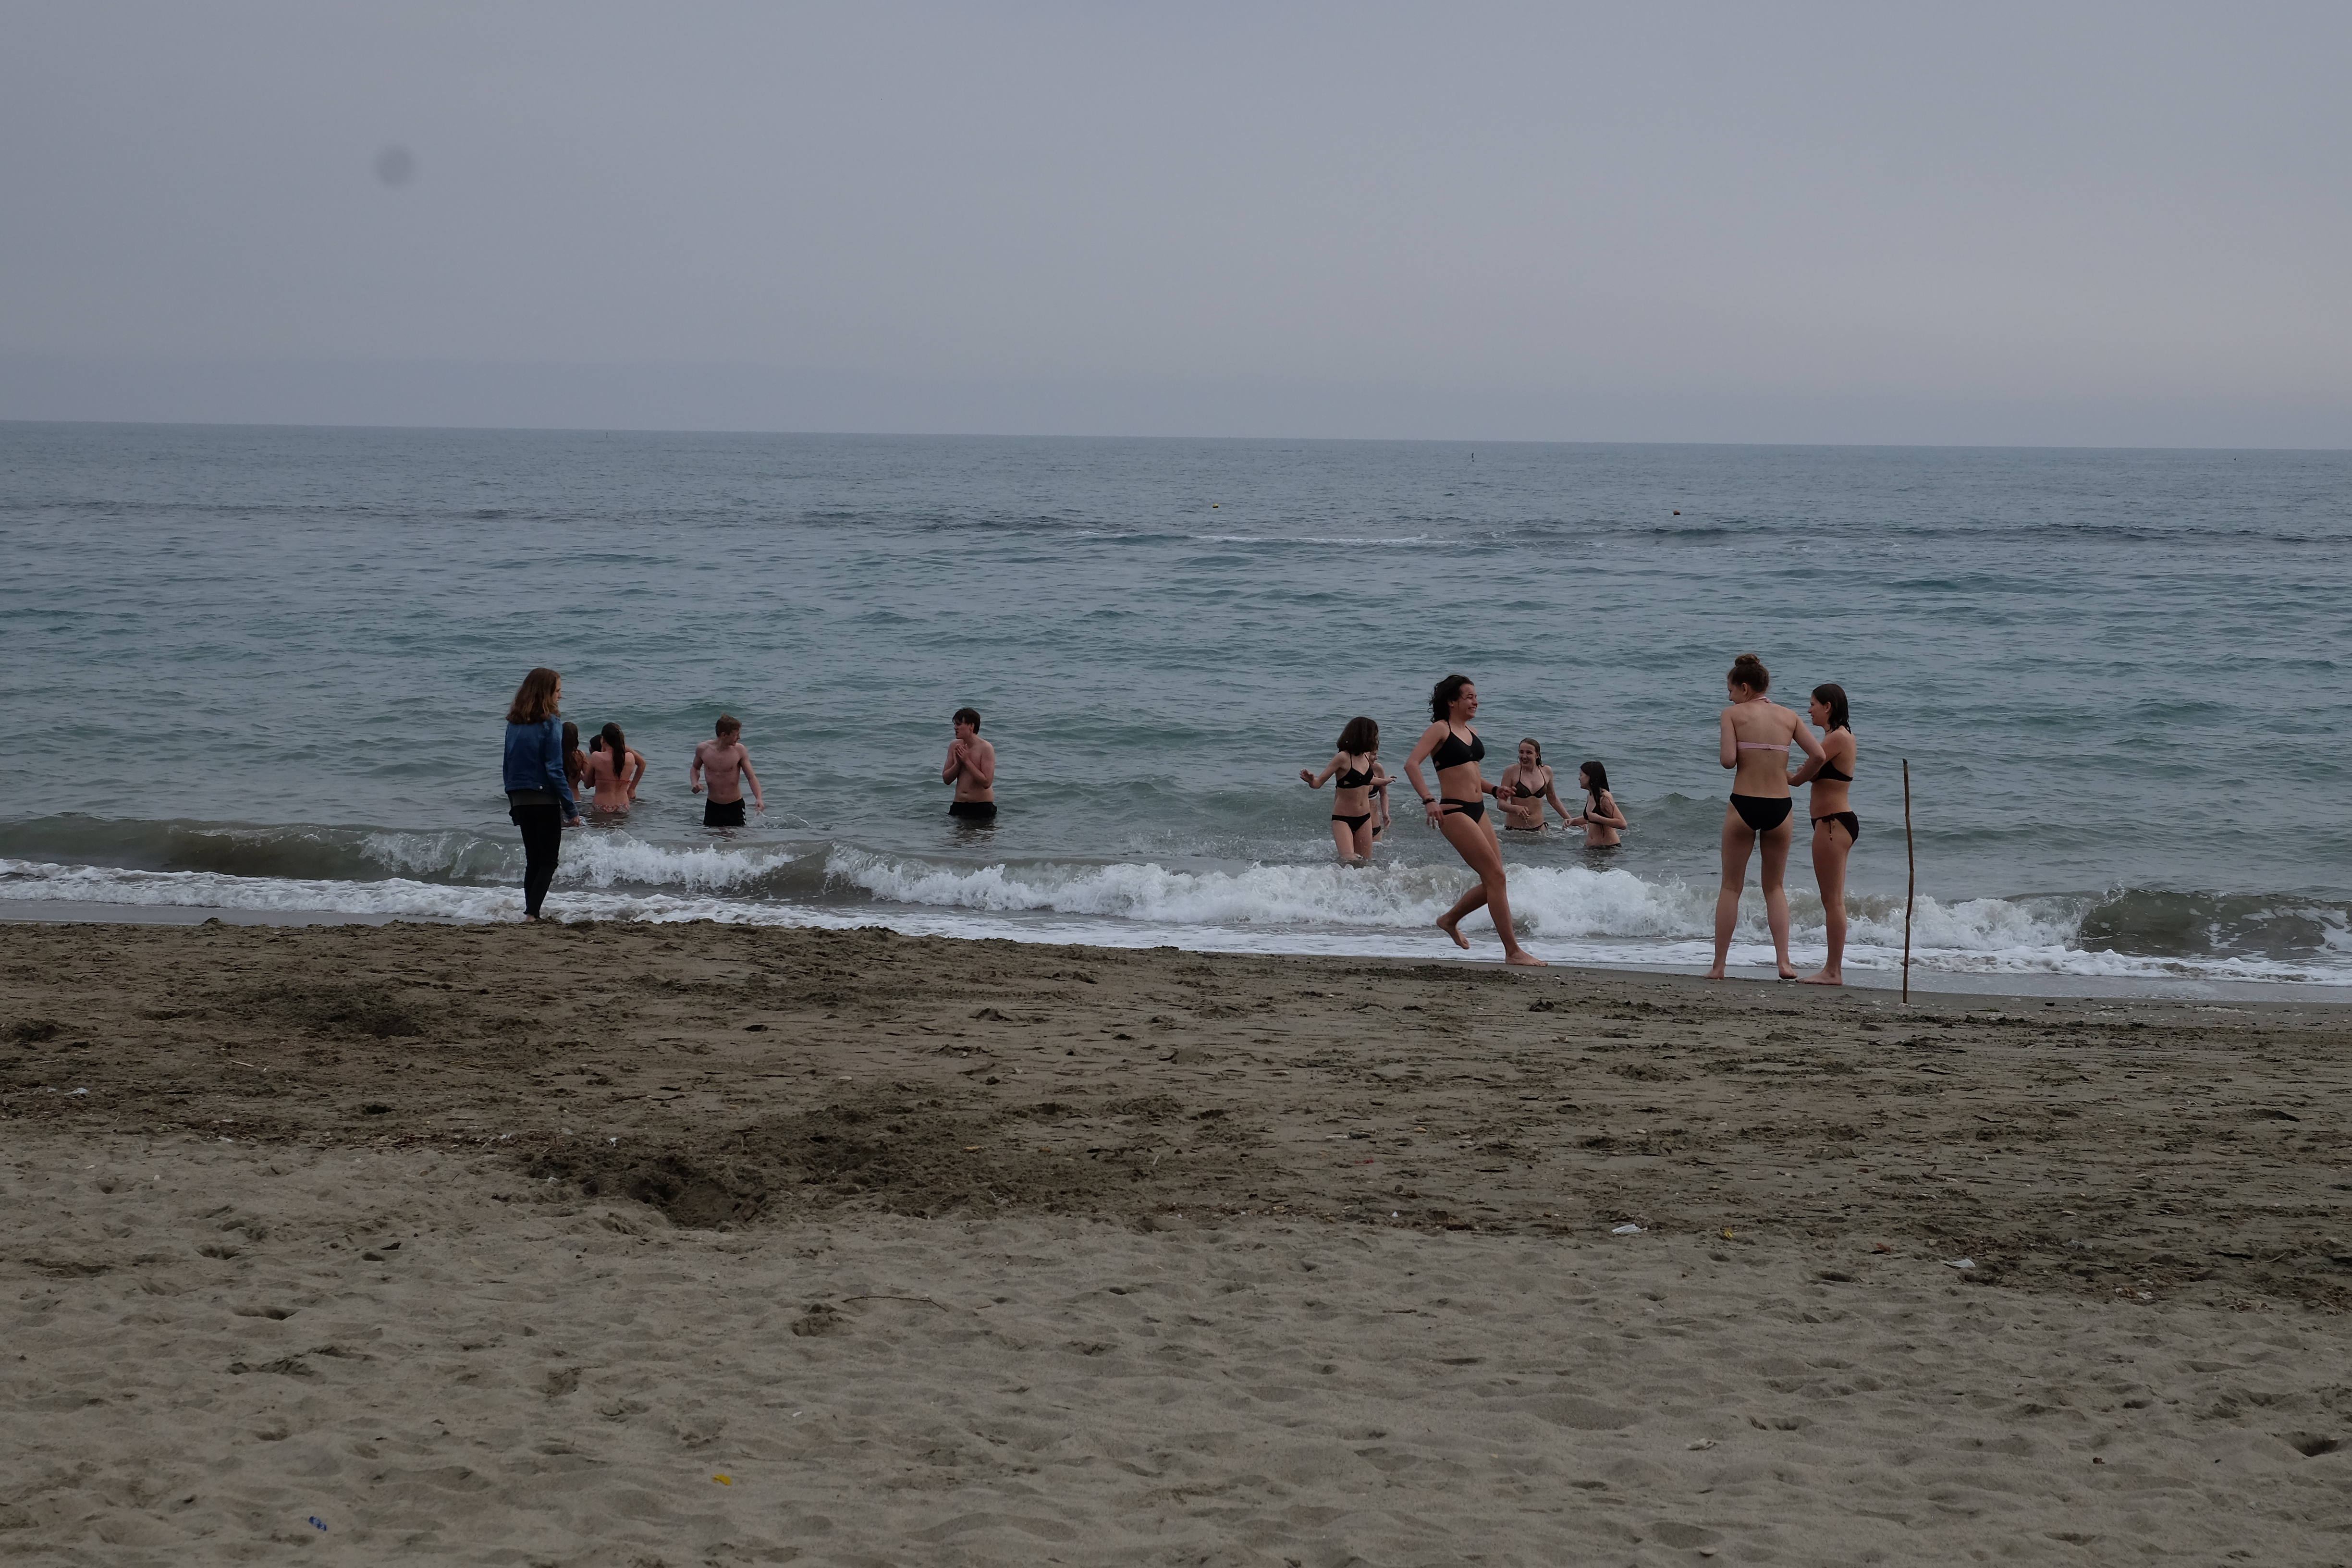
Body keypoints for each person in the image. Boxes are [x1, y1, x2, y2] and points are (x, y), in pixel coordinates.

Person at [1402, 674, 1546, 966]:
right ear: (1452, 702)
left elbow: (1471, 774)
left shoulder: (1471, 731)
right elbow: (1411, 764)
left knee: (1496, 878)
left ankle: (1449, 920)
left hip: (1479, 809)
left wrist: (1494, 790)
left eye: (1476, 697)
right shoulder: (1440, 729)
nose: (1475, 702)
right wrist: (1429, 800)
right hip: (1454, 811)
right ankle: (1513, 952)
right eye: (1469, 697)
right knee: (1497, 877)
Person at [1708, 652, 1826, 981]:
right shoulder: (1789, 716)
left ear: (1745, 688)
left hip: (1744, 804)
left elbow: (1728, 761)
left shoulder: (1732, 714)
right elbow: (1818, 755)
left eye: (1731, 690)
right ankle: (1784, 963)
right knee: (1774, 887)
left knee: (1731, 887)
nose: (1729, 697)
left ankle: (1719, 967)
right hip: (1780, 806)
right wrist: (1796, 780)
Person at [1788, 683, 1859, 986]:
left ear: (1828, 707)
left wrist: (1778, 771)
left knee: (1833, 902)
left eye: (1813, 704)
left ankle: (1833, 971)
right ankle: (1833, 969)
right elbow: (1811, 771)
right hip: (1834, 823)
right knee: (1833, 900)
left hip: (1833, 823)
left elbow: (1802, 775)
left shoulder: (1838, 738)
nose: (1809, 710)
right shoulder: (1836, 738)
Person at [501, 666, 581, 921]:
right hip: (544, 798)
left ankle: (531, 912)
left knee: (533, 861)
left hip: (520, 796)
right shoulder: (551, 723)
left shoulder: (514, 724)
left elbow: (507, 766)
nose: (561, 696)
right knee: (548, 862)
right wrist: (571, 808)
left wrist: (513, 800)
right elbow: (554, 768)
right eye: (558, 691)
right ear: (546, 693)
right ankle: (532, 914)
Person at [1300, 716, 1392, 863]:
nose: (1376, 739)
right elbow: (1318, 783)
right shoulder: (1342, 758)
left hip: (1365, 818)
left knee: (1364, 863)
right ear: (1364, 736)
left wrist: (1384, 781)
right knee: (1350, 860)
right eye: (1374, 735)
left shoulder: (1366, 757)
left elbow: (1365, 780)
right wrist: (1312, 780)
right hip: (1343, 819)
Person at [689, 714, 765, 828]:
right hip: (713, 806)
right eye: (736, 735)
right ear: (724, 735)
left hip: (735, 805)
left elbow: (751, 777)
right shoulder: (703, 749)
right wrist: (695, 782)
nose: (739, 738)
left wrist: (759, 798)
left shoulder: (740, 750)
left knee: (736, 837)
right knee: (710, 836)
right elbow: (695, 768)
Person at [1494, 738, 1573, 832]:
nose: (1524, 756)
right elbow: (1501, 804)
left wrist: (1570, 820)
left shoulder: (1546, 771)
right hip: (1515, 831)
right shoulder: (1511, 771)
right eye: (1521, 752)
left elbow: (1553, 799)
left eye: (1529, 753)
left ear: (1537, 755)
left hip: (1540, 829)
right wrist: (1515, 808)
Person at [942, 706, 997, 821]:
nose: (955, 728)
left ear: (971, 726)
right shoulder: (954, 746)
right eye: (955, 724)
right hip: (959, 804)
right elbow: (947, 780)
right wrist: (958, 764)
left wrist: (967, 761)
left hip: (982, 805)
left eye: (959, 724)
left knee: (981, 834)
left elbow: (987, 782)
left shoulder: (986, 748)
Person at [581, 722, 645, 815]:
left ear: (603, 739)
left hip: (601, 806)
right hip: (623, 806)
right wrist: (632, 789)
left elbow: (588, 785)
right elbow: (642, 764)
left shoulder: (596, 757)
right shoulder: (630, 758)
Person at [1569, 760, 1629, 847]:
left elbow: (1622, 824)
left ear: (1590, 777)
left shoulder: (1605, 797)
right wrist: (1573, 821)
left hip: (1608, 849)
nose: (1579, 779)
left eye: (1581, 775)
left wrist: (1598, 818)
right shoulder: (1591, 796)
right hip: (1591, 849)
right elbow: (1591, 818)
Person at [562, 722, 586, 798]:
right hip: (575, 796)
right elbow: (588, 779)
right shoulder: (580, 755)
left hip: (559, 796)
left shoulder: (556, 754)